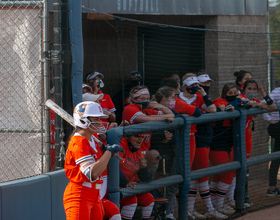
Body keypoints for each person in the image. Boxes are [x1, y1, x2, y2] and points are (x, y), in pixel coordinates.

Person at [63, 101, 124, 220]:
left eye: (100, 119)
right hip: (80, 194)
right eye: (96, 119)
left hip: (94, 194)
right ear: (83, 120)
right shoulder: (79, 141)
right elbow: (92, 173)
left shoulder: (93, 139)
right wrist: (109, 152)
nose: (100, 122)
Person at [209, 83, 244, 216]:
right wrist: (238, 100)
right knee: (227, 176)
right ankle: (218, 205)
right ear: (224, 94)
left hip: (227, 144)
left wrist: (238, 101)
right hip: (216, 145)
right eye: (230, 93)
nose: (233, 95)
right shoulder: (219, 101)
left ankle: (216, 204)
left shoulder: (234, 101)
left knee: (219, 176)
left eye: (235, 92)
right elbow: (227, 106)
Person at [119, 134, 155, 220]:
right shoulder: (121, 147)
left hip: (131, 189)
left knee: (149, 199)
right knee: (131, 200)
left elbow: (148, 178)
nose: (140, 139)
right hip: (117, 188)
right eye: (137, 136)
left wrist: (144, 168)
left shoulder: (138, 152)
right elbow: (114, 169)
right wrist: (126, 183)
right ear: (127, 137)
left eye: (142, 136)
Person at [261, 82, 280, 196]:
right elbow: (263, 104)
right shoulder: (277, 92)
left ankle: (272, 188)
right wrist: (269, 119)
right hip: (276, 126)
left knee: (276, 155)